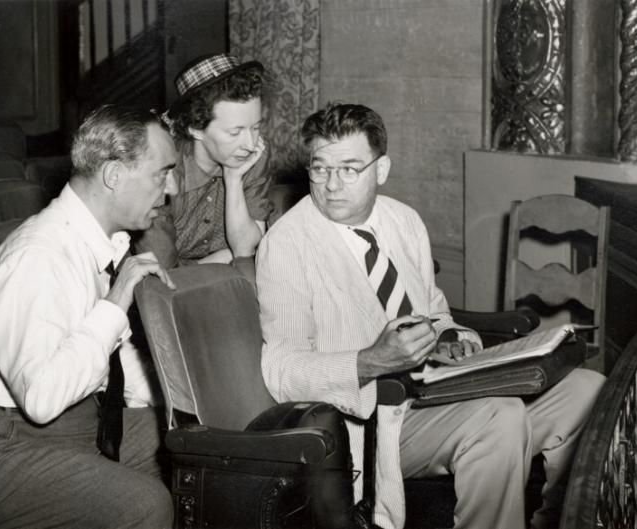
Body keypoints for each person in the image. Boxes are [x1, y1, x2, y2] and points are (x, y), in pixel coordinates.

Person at [255, 102, 605, 529]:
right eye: (320, 168)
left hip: (436, 390)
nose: (331, 185)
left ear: (381, 169)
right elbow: (281, 371)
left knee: (589, 391)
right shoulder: (288, 243)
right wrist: (370, 361)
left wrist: (451, 338)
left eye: (349, 169)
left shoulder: (404, 221)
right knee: (499, 417)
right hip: (370, 427)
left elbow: (435, 312)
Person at [0, 105, 178, 529]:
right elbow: (42, 399)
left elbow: (107, 367)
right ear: (114, 175)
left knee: (195, 445)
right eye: (162, 173)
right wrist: (115, 305)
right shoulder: (39, 257)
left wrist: (179, 394)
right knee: (144, 507)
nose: (171, 188)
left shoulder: (100, 244)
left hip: (75, 424)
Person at [135, 53, 273, 267]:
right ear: (196, 128)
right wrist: (225, 259)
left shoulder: (254, 155)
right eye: (235, 132)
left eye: (255, 127)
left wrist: (234, 180)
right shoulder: (161, 172)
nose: (250, 144)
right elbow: (160, 276)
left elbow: (246, 250)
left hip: (219, 280)